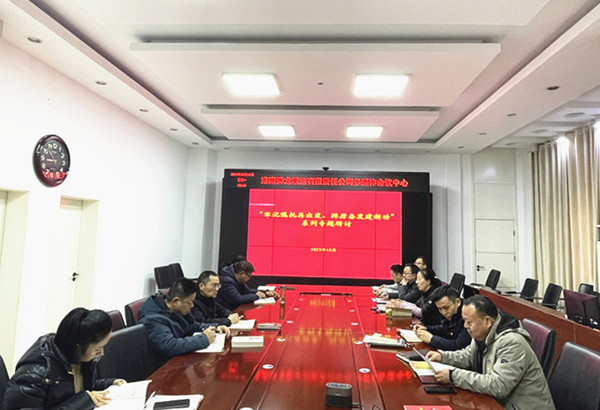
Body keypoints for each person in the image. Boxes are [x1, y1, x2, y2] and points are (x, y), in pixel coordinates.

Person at [426, 295, 555, 409]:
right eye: (464, 321)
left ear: (487, 321)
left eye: (469, 322)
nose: (465, 326)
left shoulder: (512, 343)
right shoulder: (482, 333)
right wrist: (442, 356)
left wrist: (453, 376)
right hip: (498, 402)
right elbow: (468, 356)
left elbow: (498, 385)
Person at [3, 308, 126, 409]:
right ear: (78, 346)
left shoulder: (78, 359)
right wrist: (83, 401)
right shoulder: (36, 373)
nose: (102, 353)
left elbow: (76, 389)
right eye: (98, 348)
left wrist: (109, 384)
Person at [139, 277, 230, 364]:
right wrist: (204, 339)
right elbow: (170, 346)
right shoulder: (153, 319)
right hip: (165, 366)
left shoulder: (177, 309)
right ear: (176, 301)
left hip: (180, 359)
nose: (192, 306)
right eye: (189, 302)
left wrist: (215, 327)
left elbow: (192, 325)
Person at [413, 285, 471, 350]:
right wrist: (426, 328)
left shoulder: (468, 315)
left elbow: (458, 345)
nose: (443, 312)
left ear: (458, 302)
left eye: (446, 308)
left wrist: (431, 339)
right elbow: (445, 328)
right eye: (440, 309)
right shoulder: (453, 312)